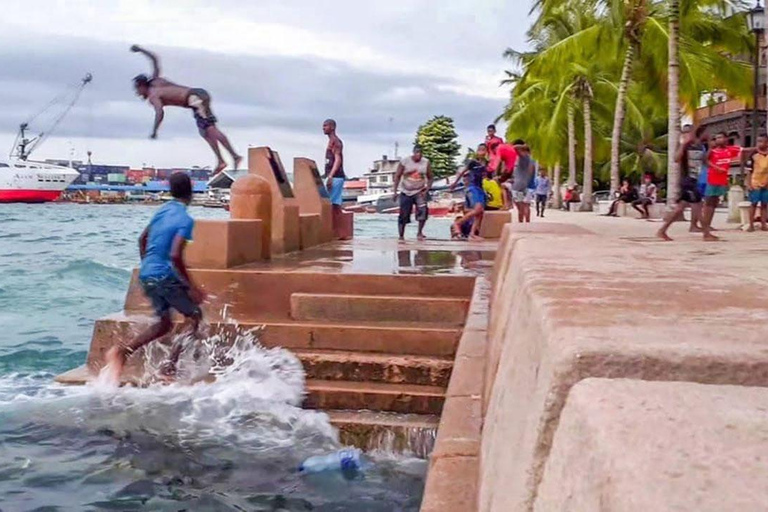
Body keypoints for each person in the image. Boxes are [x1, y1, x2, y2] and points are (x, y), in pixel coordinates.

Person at [104, 172, 205, 384]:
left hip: (147, 273)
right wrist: (191, 286)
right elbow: (176, 255)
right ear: (191, 192)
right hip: (164, 274)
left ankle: (123, 351)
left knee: (165, 323)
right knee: (194, 316)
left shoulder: (163, 210)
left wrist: (147, 265)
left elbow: (142, 239)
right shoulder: (185, 220)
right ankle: (168, 367)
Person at [130, 45, 241, 176]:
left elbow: (160, 113)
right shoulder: (156, 81)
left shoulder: (153, 94)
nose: (137, 93)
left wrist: (154, 131)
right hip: (195, 99)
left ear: (142, 86)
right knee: (205, 131)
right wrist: (141, 50)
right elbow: (154, 59)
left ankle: (234, 156)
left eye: (137, 90)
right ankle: (222, 160)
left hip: (195, 97)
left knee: (210, 129)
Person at [657, 126, 707, 241]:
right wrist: (683, 144)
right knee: (697, 206)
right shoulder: (686, 146)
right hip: (688, 180)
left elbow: (704, 162)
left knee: (681, 208)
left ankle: (662, 230)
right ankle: (706, 233)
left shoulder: (700, 147)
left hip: (695, 179)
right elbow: (676, 158)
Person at [702, 132, 744, 241]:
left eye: (720, 137)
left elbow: (744, 150)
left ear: (726, 138)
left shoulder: (730, 149)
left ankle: (707, 230)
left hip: (721, 181)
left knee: (713, 204)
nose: (718, 139)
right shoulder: (713, 151)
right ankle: (706, 232)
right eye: (716, 138)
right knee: (709, 204)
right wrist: (716, 167)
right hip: (712, 179)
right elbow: (705, 160)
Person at [394, 145, 434, 241]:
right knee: (404, 214)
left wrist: (427, 189)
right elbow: (397, 176)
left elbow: (430, 177)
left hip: (419, 191)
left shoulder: (426, 162)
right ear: (413, 153)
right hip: (406, 190)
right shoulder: (405, 161)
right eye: (417, 153)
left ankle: (419, 232)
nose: (418, 155)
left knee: (423, 210)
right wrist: (395, 191)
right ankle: (401, 235)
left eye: (420, 153)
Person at [450, 143, 489, 240]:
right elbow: (463, 172)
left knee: (480, 213)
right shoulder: (473, 162)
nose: (481, 152)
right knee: (477, 209)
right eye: (479, 149)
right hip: (472, 187)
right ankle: (458, 223)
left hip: (480, 188)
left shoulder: (486, 163)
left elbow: (486, 175)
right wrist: (455, 182)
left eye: (483, 150)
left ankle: (472, 233)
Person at [322, 119, 349, 240]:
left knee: (333, 206)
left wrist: (331, 176)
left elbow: (338, 160)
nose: (323, 128)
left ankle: (339, 232)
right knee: (335, 206)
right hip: (334, 176)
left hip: (336, 176)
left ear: (332, 127)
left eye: (326, 126)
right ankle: (340, 232)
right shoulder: (332, 141)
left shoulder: (335, 142)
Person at [744, 134, 768, 232]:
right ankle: (751, 225)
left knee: (764, 204)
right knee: (753, 204)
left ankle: (763, 225)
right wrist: (749, 184)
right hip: (755, 182)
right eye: (758, 141)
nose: (759, 143)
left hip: (766, 183)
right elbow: (748, 171)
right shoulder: (753, 155)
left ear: (767, 143)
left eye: (761, 141)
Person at [510, 144, 535, 223]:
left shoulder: (523, 158)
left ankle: (521, 223)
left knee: (520, 206)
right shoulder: (532, 160)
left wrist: (520, 146)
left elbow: (514, 149)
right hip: (528, 185)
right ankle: (527, 223)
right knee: (526, 206)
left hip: (519, 186)